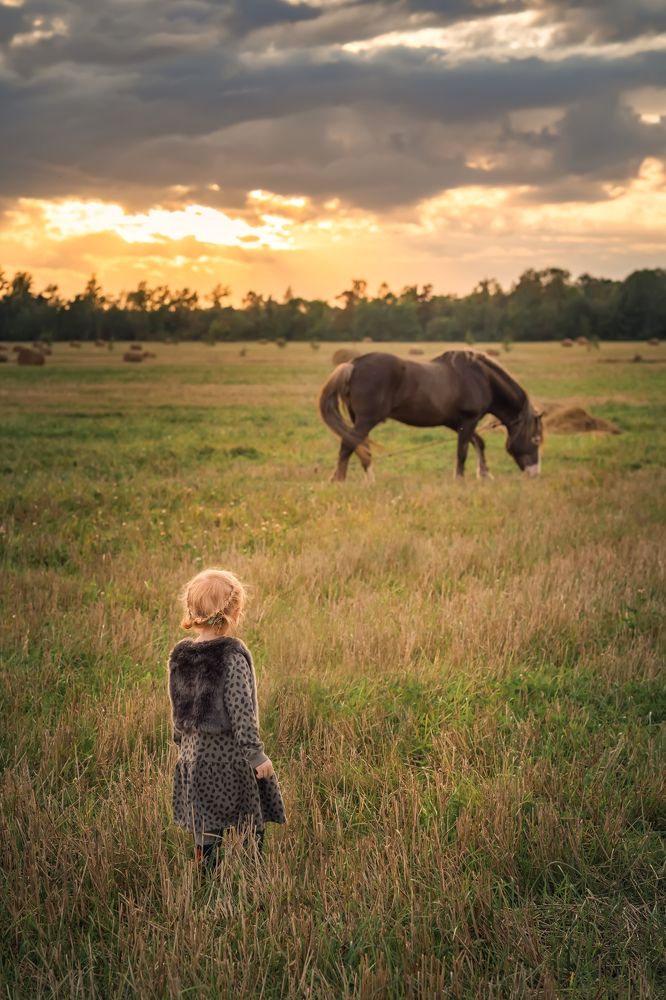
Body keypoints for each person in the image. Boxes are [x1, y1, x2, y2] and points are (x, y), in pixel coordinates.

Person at [167, 568, 286, 868]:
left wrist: (181, 743)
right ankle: (253, 869)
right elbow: (241, 710)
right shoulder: (231, 656)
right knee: (247, 815)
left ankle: (206, 870)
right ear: (233, 612)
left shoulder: (180, 655)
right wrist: (256, 755)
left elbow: (177, 705)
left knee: (205, 820)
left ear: (192, 612)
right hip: (229, 758)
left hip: (194, 757)